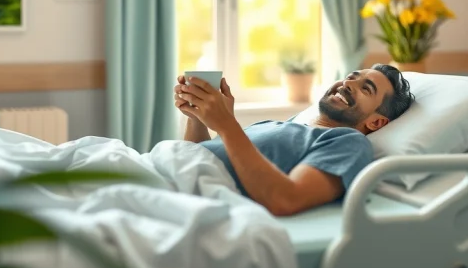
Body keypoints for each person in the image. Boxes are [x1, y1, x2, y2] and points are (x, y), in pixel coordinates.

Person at [173, 64, 414, 216]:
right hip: (171, 173)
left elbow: (287, 199)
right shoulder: (279, 125)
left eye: (366, 89)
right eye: (351, 77)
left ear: (376, 122)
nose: (348, 83)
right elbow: (201, 156)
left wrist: (227, 125)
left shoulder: (348, 142)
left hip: (182, 195)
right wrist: (197, 117)